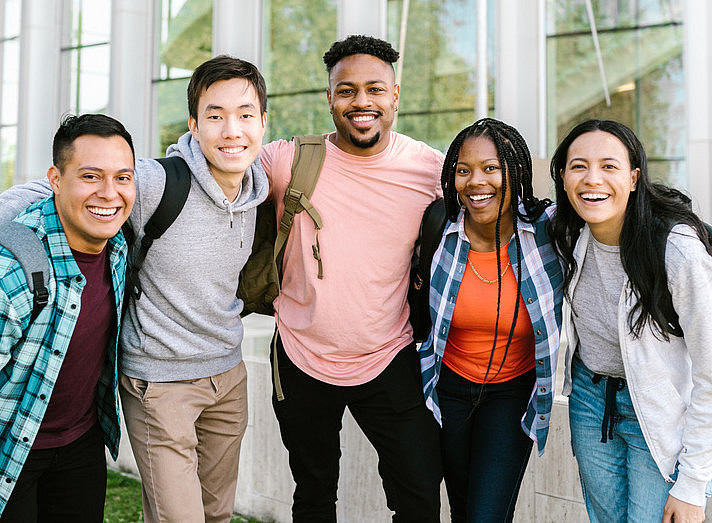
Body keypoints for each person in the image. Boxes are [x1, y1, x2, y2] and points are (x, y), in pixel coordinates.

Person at [0, 56, 269, 523]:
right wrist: (15, 233)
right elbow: (60, 190)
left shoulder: (261, 188)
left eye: (245, 115)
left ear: (263, 122)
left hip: (226, 374)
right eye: (215, 115)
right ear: (194, 124)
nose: (232, 130)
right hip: (159, 382)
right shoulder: (155, 182)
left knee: (216, 514)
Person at [259, 35, 444, 522]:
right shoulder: (288, 161)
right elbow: (210, 166)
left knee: (418, 495)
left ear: (395, 95)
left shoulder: (431, 170)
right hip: (301, 356)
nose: (362, 102)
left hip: (390, 356)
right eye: (347, 91)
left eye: (375, 90)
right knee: (315, 494)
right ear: (330, 99)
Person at [549, 119, 712, 523]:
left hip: (658, 410)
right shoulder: (567, 234)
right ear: (564, 177)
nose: (592, 179)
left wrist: (693, 484)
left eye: (609, 166)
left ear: (634, 177)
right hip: (590, 401)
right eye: (578, 166)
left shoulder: (676, 250)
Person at [417, 118, 563, 522]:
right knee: (462, 510)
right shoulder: (439, 227)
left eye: (491, 168)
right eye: (463, 170)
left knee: (486, 515)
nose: (475, 181)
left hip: (511, 394)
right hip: (447, 387)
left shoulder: (548, 231)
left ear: (516, 171)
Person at [0, 114, 135, 522]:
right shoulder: (14, 269)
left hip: (80, 442)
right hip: (12, 446)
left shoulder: (120, 245)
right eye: (91, 176)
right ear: (55, 179)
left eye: (123, 178)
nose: (109, 194)